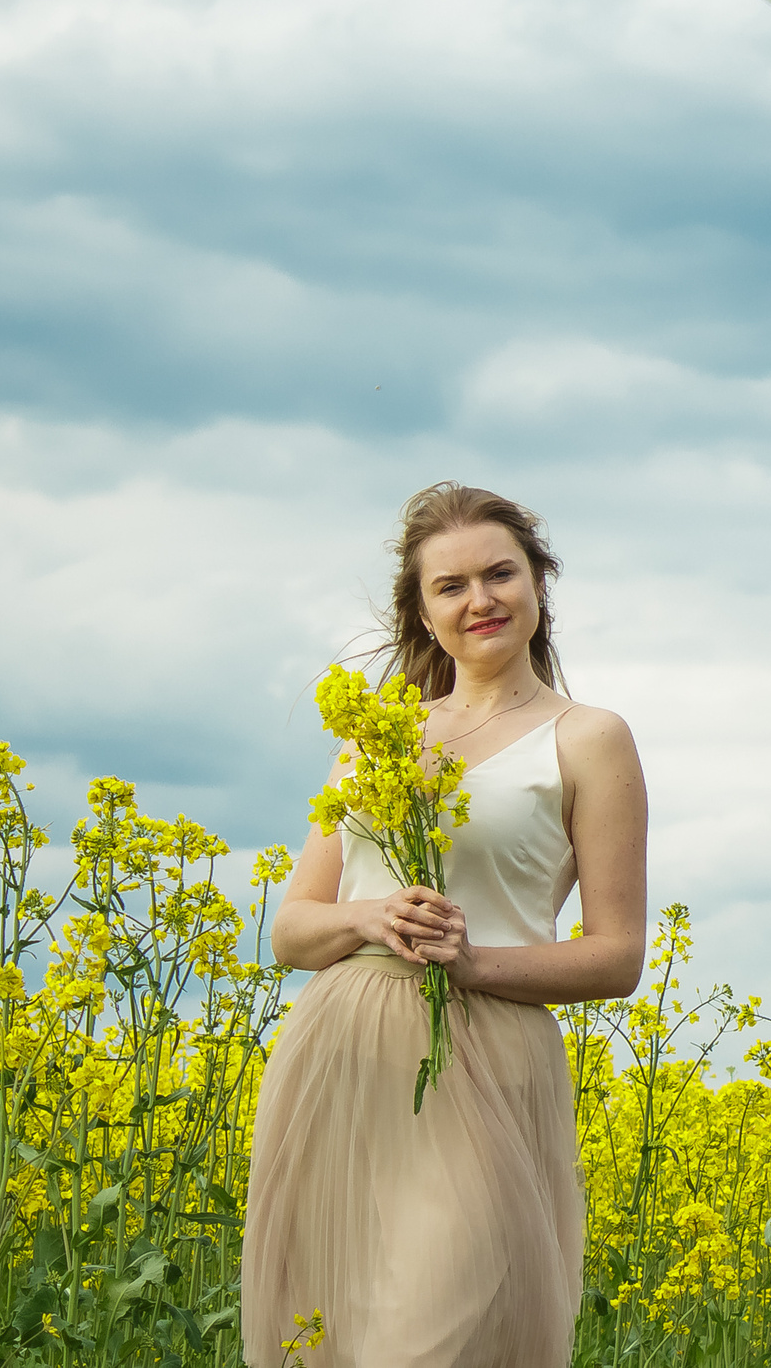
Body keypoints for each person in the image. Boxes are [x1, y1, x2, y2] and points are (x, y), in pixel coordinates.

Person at [242, 483, 648, 1368]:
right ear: (423, 613)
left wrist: (473, 963)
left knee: (428, 1340)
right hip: (346, 1058)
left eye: (501, 573)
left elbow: (617, 957)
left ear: (540, 583)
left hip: (486, 1059)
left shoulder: (588, 737)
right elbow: (293, 933)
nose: (481, 601)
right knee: (332, 1340)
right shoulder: (375, 737)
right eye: (451, 586)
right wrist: (372, 914)